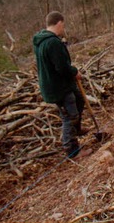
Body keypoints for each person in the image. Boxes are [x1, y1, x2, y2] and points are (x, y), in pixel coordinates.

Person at [33, 11, 84, 157]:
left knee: (78, 100)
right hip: (58, 87)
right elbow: (61, 67)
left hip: (60, 84)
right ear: (59, 23)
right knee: (70, 116)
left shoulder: (42, 41)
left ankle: (77, 129)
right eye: (63, 25)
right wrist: (74, 72)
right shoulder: (52, 42)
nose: (64, 28)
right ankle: (72, 150)